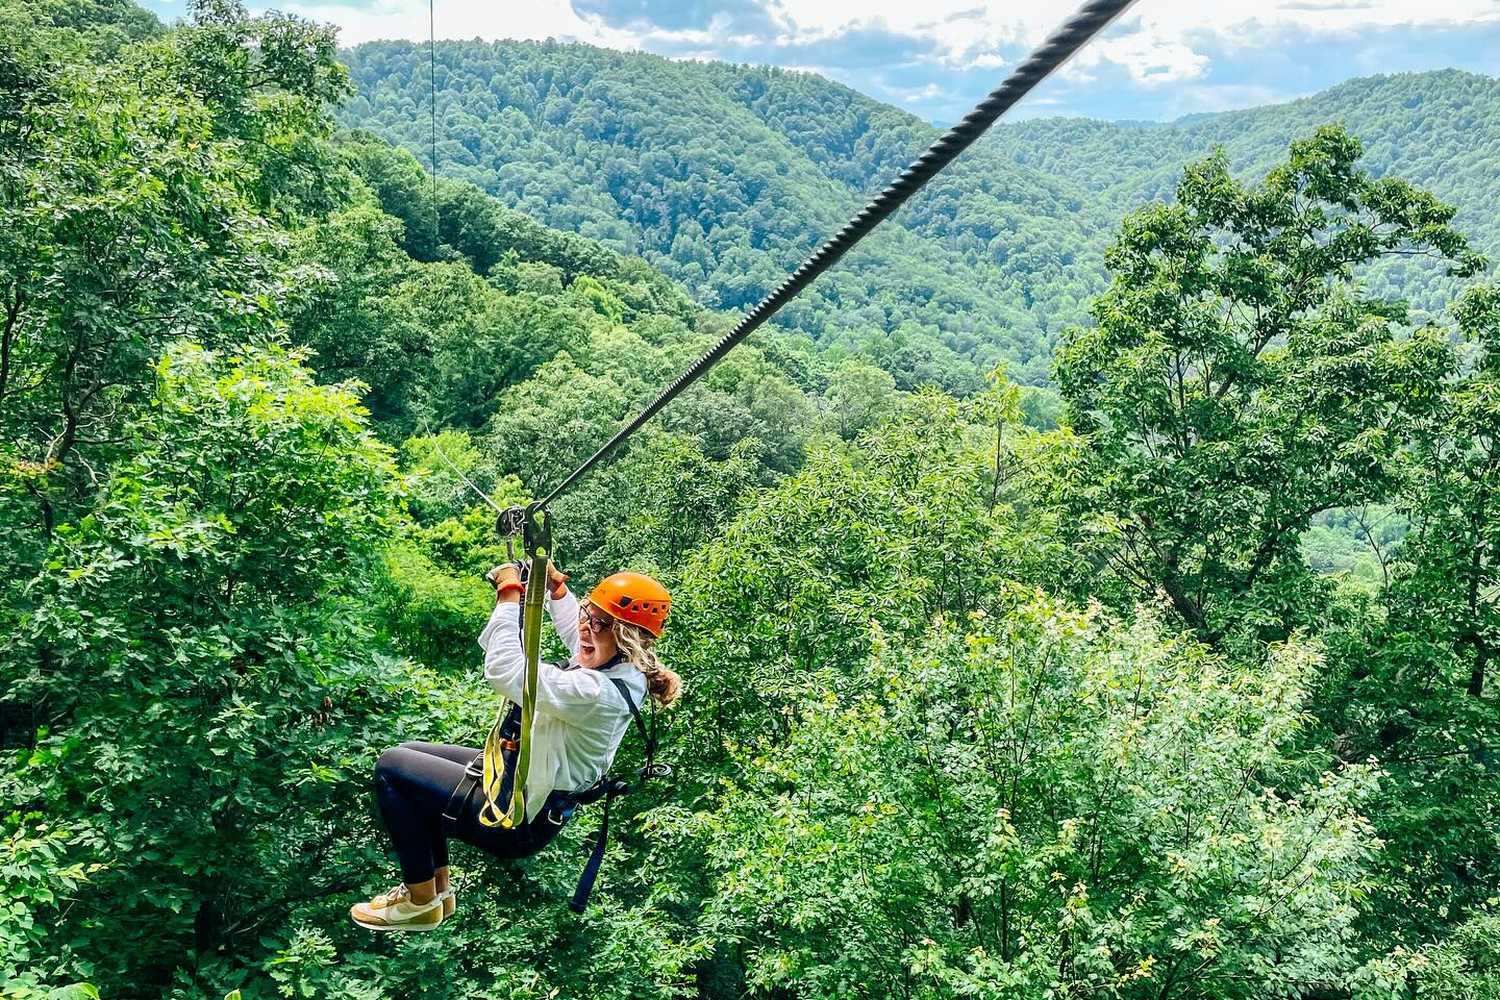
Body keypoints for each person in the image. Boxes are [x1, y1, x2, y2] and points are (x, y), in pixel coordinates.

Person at [350, 563, 680, 931]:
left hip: (517, 817)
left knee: (393, 768)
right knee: (413, 755)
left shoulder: (596, 692)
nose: (586, 628)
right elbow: (580, 636)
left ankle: (419, 899)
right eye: (589, 614)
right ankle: (436, 892)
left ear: (627, 640)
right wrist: (556, 591)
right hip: (518, 781)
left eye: (601, 624)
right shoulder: (621, 666)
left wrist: (509, 596)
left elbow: (505, 670)